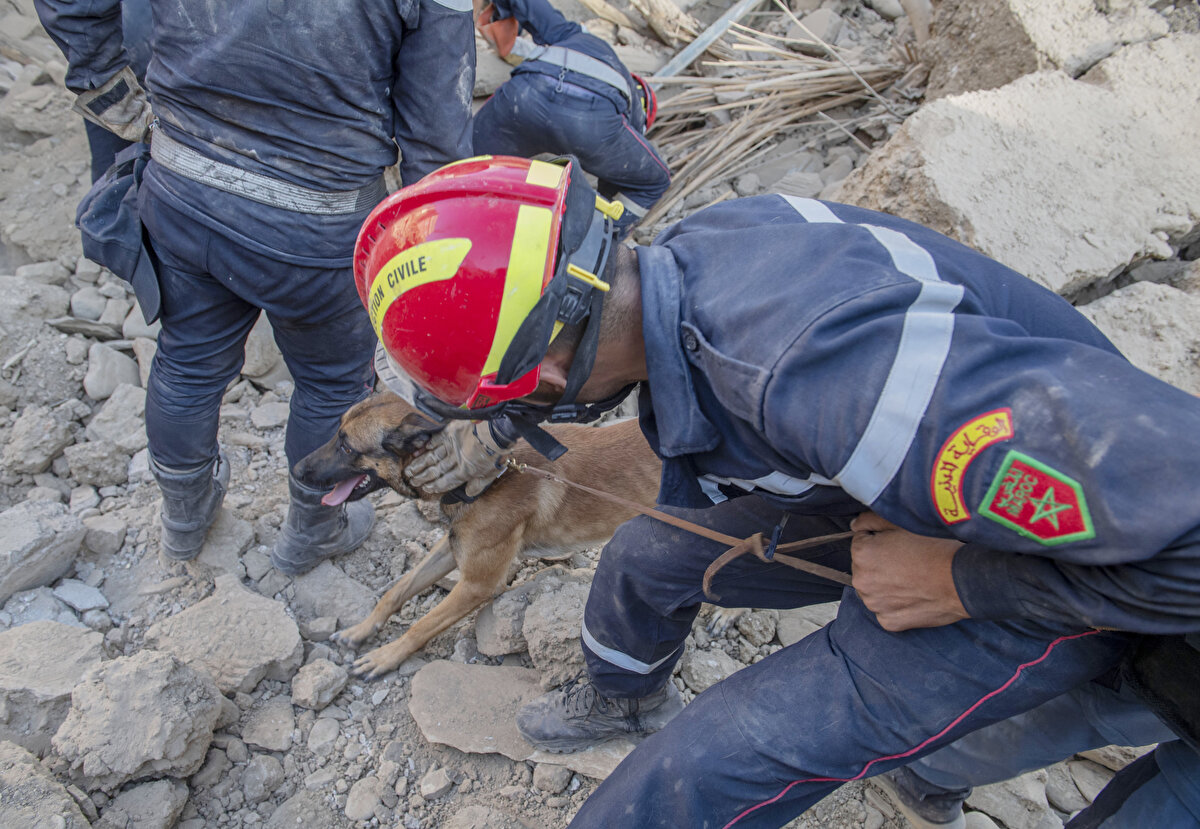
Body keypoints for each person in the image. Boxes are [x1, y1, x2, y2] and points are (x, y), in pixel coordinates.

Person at [359, 155, 1200, 827]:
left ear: (545, 371)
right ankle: (625, 697)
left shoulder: (834, 380)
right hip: (925, 497)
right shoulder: (691, 258)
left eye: (515, 401)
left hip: (1083, 569)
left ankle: (928, 752)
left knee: (709, 763)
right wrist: (503, 432)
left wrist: (955, 579)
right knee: (649, 553)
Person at [37, 0, 476, 573]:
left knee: (188, 360)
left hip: (184, 190)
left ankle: (183, 524)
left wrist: (110, 91)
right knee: (329, 383)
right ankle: (312, 533)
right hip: (317, 226)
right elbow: (436, 140)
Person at [471, 0, 669, 237]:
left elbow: (537, 11)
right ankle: (595, 241)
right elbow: (617, 179)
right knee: (655, 181)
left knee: (467, 167)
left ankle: (445, 221)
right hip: (587, 122)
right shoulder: (634, 110)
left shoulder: (585, 41)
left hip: (522, 97)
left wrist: (502, 10)